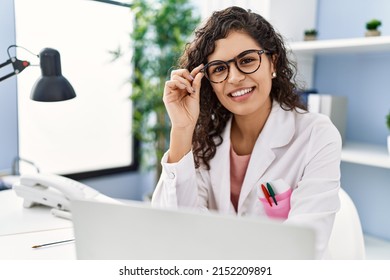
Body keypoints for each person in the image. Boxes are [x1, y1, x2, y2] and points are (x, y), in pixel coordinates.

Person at [151, 6, 341, 259]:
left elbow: (305, 245)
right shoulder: (205, 138)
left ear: (272, 62)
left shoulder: (317, 134)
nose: (235, 78)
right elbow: (173, 225)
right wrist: (182, 128)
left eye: (247, 60)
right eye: (219, 68)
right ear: (207, 81)